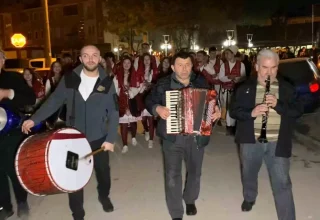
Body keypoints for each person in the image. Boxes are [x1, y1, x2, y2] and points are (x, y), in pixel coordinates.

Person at [22, 45, 119, 220]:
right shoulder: (69, 79)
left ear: (99, 59)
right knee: (74, 175)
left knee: (103, 172)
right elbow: (53, 102)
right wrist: (34, 119)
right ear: (80, 59)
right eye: (86, 56)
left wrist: (111, 138)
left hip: (99, 137)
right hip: (74, 137)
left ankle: (104, 196)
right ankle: (78, 212)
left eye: (94, 55)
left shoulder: (107, 82)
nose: (90, 59)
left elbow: (113, 111)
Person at [145, 51, 221, 220]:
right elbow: (149, 100)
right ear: (173, 67)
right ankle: (176, 212)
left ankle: (190, 199)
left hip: (196, 136)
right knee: (172, 175)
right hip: (173, 138)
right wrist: (158, 108)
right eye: (180, 65)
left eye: (187, 65)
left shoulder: (201, 81)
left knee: (195, 172)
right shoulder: (163, 84)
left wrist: (216, 111)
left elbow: (212, 102)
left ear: (192, 66)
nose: (184, 68)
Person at [229, 49, 303, 220]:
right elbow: (234, 111)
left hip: (277, 142)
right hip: (250, 141)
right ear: (256, 66)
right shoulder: (245, 87)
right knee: (249, 174)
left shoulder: (286, 87)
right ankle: (250, 197)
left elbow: (298, 110)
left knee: (283, 183)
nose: (269, 72)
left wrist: (278, 105)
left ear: (278, 67)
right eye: (264, 67)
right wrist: (252, 113)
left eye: (273, 68)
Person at [0, 50, 36, 220]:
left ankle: (22, 201)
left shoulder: (13, 78)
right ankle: (5, 207)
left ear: (3, 60)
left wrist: (8, 93)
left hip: (11, 131)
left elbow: (30, 98)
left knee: (13, 168)